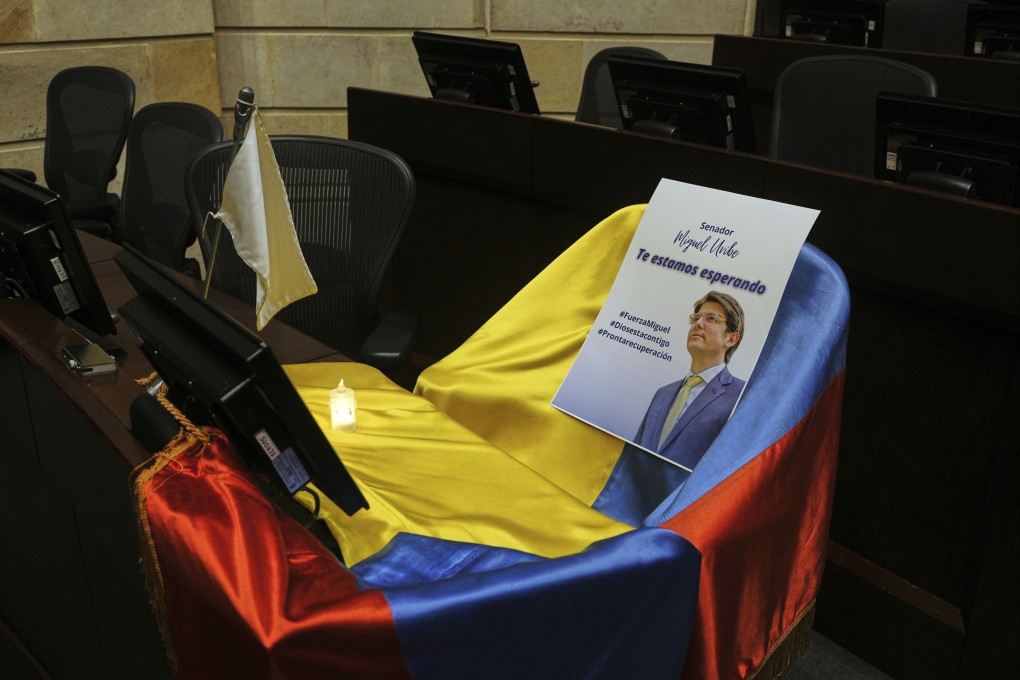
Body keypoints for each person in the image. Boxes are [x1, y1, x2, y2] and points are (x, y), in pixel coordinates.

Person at [633, 290, 746, 469]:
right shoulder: (662, 394)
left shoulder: (742, 396)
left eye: (711, 318)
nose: (698, 324)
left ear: (731, 338)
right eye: (696, 318)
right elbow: (633, 454)